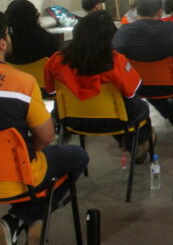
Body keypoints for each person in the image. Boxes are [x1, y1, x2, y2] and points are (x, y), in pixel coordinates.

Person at [0, 10, 89, 245]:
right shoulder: (21, 82)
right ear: (2, 42)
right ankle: (21, 218)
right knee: (78, 155)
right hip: (18, 176)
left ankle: (17, 223)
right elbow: (47, 136)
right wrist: (29, 152)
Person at [44, 11, 154, 162]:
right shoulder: (116, 61)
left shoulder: (56, 60)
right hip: (114, 121)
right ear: (110, 37)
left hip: (71, 120)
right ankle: (136, 143)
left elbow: (50, 91)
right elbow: (131, 91)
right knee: (139, 107)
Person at [113, 0, 173, 125]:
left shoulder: (123, 32)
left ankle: (169, 112)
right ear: (160, 11)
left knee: (148, 81)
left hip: (138, 86)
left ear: (137, 10)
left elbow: (116, 54)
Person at [4, 0, 58, 65]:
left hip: (15, 74)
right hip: (41, 74)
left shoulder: (7, 43)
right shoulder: (44, 39)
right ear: (33, 15)